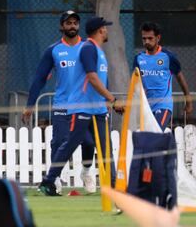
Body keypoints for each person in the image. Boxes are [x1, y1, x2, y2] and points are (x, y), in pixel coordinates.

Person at [38, 17, 123, 196]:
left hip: (98, 109)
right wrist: (112, 99)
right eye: (105, 28)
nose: (107, 31)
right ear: (100, 31)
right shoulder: (88, 48)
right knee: (70, 144)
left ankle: (116, 186)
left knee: (105, 148)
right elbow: (92, 78)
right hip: (82, 107)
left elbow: (100, 79)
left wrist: (106, 101)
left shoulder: (98, 50)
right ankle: (48, 180)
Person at [22, 10, 96, 193]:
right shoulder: (54, 50)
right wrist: (29, 106)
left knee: (88, 142)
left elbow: (99, 75)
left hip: (85, 105)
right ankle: (55, 179)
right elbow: (39, 78)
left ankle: (86, 172)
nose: (72, 26)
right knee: (59, 142)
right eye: (68, 23)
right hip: (62, 104)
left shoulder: (88, 47)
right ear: (61, 26)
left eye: (75, 23)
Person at [133, 21, 193, 128]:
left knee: (156, 133)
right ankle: (171, 144)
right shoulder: (138, 58)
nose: (146, 41)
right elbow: (136, 83)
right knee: (149, 137)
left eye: (150, 38)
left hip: (163, 106)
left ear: (158, 38)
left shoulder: (168, 57)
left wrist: (188, 102)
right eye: (144, 38)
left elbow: (180, 79)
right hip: (146, 107)